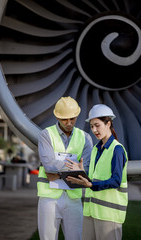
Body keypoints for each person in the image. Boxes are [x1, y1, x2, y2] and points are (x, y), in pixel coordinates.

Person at [66, 104, 128, 240]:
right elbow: (95, 178)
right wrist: (81, 172)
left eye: (97, 125)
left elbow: (116, 181)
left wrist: (91, 185)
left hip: (109, 215)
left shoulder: (117, 150)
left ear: (108, 123)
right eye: (92, 126)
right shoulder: (95, 149)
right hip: (90, 212)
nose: (94, 130)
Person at [37, 96, 93, 240]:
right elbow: (48, 165)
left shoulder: (86, 138)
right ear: (57, 116)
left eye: (72, 118)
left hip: (73, 198)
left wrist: (57, 171)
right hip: (49, 198)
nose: (69, 123)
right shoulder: (46, 135)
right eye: (64, 119)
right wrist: (74, 168)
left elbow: (86, 169)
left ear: (77, 115)